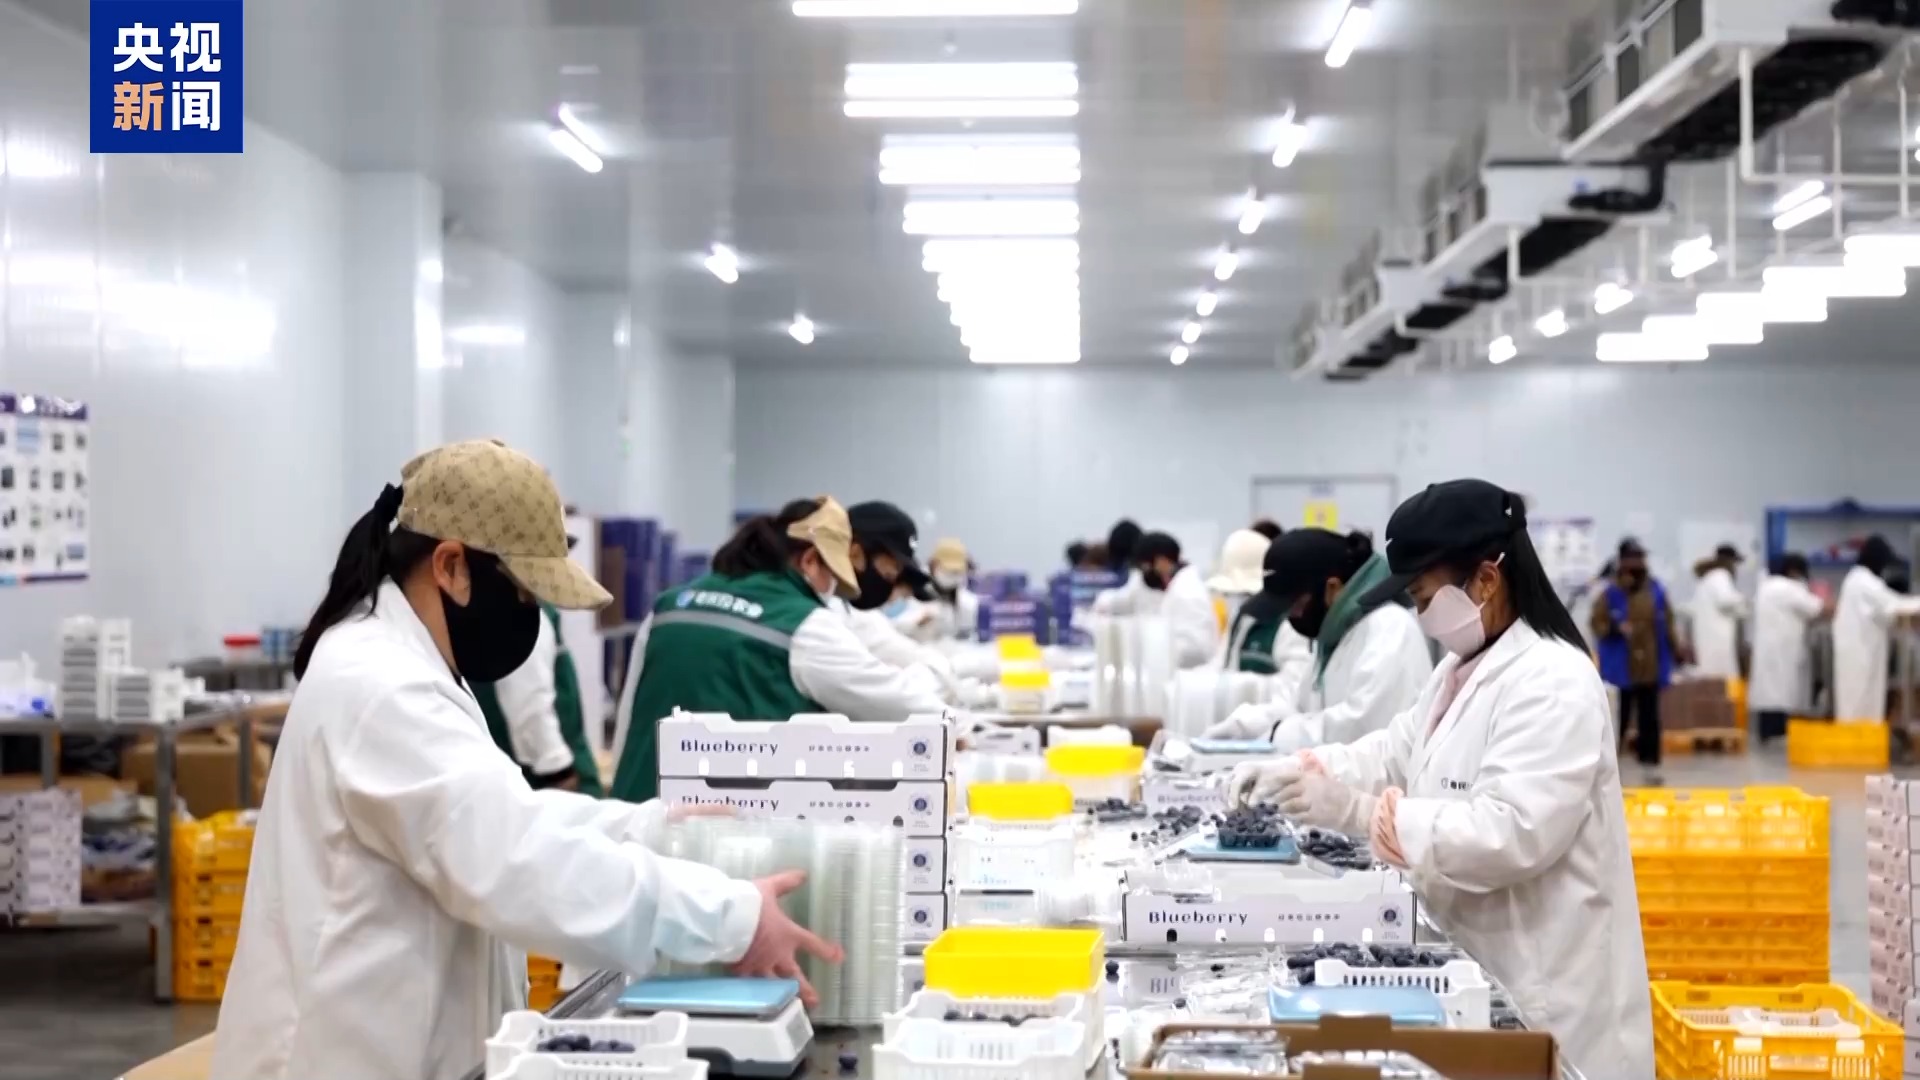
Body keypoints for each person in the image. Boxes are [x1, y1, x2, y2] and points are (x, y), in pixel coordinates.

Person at [211, 441, 837, 1080]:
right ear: (450, 565)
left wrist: (647, 827)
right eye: (522, 591)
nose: (530, 615)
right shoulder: (382, 687)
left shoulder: (410, 665)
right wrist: (729, 917)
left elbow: (505, 816)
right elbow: (518, 860)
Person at [1228, 479, 1653, 1078]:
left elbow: (1511, 833)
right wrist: (1303, 767)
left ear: (1486, 579)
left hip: (1549, 995)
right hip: (1479, 974)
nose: (1422, 617)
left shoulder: (1554, 680)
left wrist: (1357, 812)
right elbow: (1396, 750)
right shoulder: (1462, 667)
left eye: (1424, 598)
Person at [609, 497, 949, 803]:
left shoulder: (668, 605)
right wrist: (956, 723)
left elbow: (627, 721)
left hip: (638, 813)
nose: (831, 593)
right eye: (833, 578)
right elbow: (897, 702)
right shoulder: (805, 623)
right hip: (712, 829)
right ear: (810, 561)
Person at [1205, 529, 1432, 751]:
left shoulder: (1389, 629)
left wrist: (1279, 733)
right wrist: (1246, 724)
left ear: (1333, 588)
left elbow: (1362, 729)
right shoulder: (1335, 636)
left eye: (1296, 605)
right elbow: (1300, 706)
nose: (1292, 616)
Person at [474, 598, 603, 795]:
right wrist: (559, 771)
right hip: (541, 782)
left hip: (513, 777)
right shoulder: (526, 612)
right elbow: (530, 707)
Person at [1591, 539, 1683, 766]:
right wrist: (1615, 628)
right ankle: (1611, 761)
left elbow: (1669, 622)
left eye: (1640, 558)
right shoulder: (1609, 593)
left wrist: (1677, 649)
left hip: (1649, 663)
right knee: (1617, 716)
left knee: (1649, 714)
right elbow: (1596, 623)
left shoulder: (1656, 590)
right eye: (1633, 558)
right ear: (1622, 561)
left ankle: (1650, 758)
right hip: (1620, 665)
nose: (1638, 563)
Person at [1207, 529, 1312, 705]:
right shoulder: (1240, 616)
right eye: (1238, 593)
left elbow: (1297, 687)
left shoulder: (1291, 624)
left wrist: (1244, 688)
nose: (1243, 599)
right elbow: (1223, 663)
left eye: (1247, 593)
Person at [1834, 535, 1920, 721]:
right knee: (1860, 705)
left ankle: (1863, 738)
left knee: (1859, 703)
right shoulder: (1865, 582)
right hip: (1860, 655)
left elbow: (1885, 610)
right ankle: (1862, 739)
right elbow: (1896, 605)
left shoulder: (1855, 579)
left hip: (1860, 653)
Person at [1750, 553, 1829, 742]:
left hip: (1769, 649)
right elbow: (1818, 608)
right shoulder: (1789, 588)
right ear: (1794, 572)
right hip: (1784, 650)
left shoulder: (1766, 587)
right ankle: (1778, 734)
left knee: (1769, 692)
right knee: (1782, 692)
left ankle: (1767, 733)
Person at [1126, 531, 1221, 668]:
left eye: (1145, 567)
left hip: (1191, 675)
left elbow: (1198, 649)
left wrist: (1153, 650)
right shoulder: (1177, 588)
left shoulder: (1187, 593)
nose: (1144, 574)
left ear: (1162, 561)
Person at [1689, 543, 1747, 679]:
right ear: (1729, 561)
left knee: (1713, 675)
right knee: (1722, 677)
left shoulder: (1707, 578)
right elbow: (1726, 600)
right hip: (1718, 637)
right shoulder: (1721, 575)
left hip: (1709, 636)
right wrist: (1744, 600)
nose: (1736, 568)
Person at [919, 537, 981, 641]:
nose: (955, 577)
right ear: (934, 565)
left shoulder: (965, 600)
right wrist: (918, 623)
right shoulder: (914, 590)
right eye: (950, 572)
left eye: (958, 572)